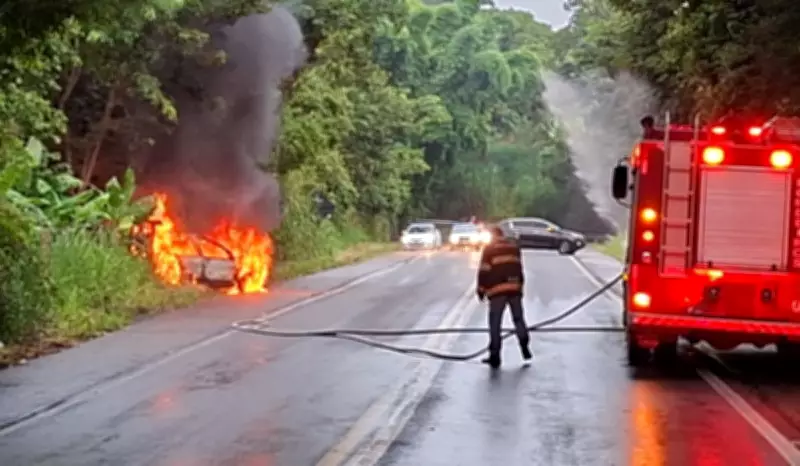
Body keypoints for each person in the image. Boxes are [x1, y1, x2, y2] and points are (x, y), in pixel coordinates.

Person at [476, 225, 532, 369]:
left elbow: (484, 271)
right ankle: (524, 345)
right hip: (514, 289)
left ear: (493, 236)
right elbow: (519, 268)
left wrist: (481, 290)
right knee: (519, 319)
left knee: (495, 324)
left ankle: (495, 356)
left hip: (497, 291)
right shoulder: (514, 248)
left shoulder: (489, 250)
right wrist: (520, 288)